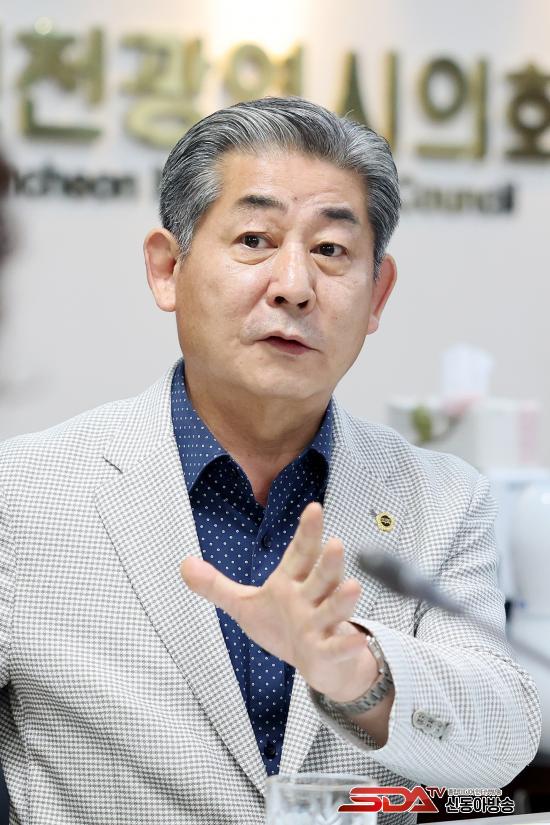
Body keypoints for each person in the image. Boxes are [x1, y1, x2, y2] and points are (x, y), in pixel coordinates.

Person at [0, 97, 541, 825]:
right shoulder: (23, 494)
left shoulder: (445, 499)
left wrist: (358, 671)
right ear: (167, 268)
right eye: (255, 239)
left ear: (377, 294)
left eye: (331, 251)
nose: (294, 285)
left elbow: (502, 743)